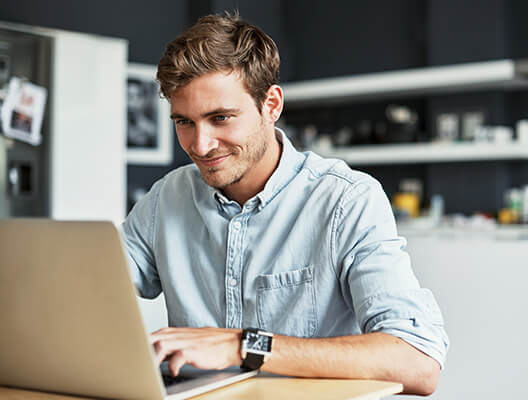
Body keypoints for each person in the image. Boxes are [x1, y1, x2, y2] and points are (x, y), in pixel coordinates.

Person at [121, 12, 448, 396]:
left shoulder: (346, 200)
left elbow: (418, 361)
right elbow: (92, 289)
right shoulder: (166, 198)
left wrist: (242, 345)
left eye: (221, 118)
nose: (200, 145)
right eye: (184, 122)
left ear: (271, 105)